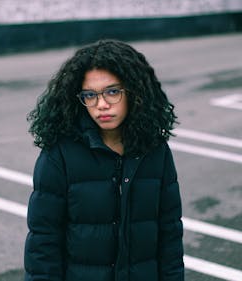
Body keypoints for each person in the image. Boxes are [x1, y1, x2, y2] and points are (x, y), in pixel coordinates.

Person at [24, 39, 184, 281]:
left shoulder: (155, 150)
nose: (101, 105)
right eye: (90, 95)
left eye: (112, 92)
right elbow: (43, 242)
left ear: (134, 92)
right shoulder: (59, 154)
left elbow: (169, 235)